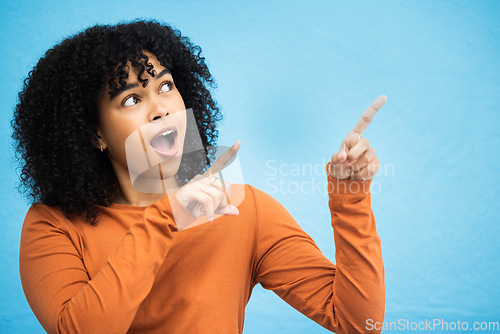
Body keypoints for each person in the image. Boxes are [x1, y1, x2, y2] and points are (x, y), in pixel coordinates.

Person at [12, 19, 385, 334]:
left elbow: (359, 322)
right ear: (94, 134)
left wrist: (350, 195)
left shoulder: (243, 209)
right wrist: (164, 218)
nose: (160, 109)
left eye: (165, 86)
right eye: (131, 99)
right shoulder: (53, 226)